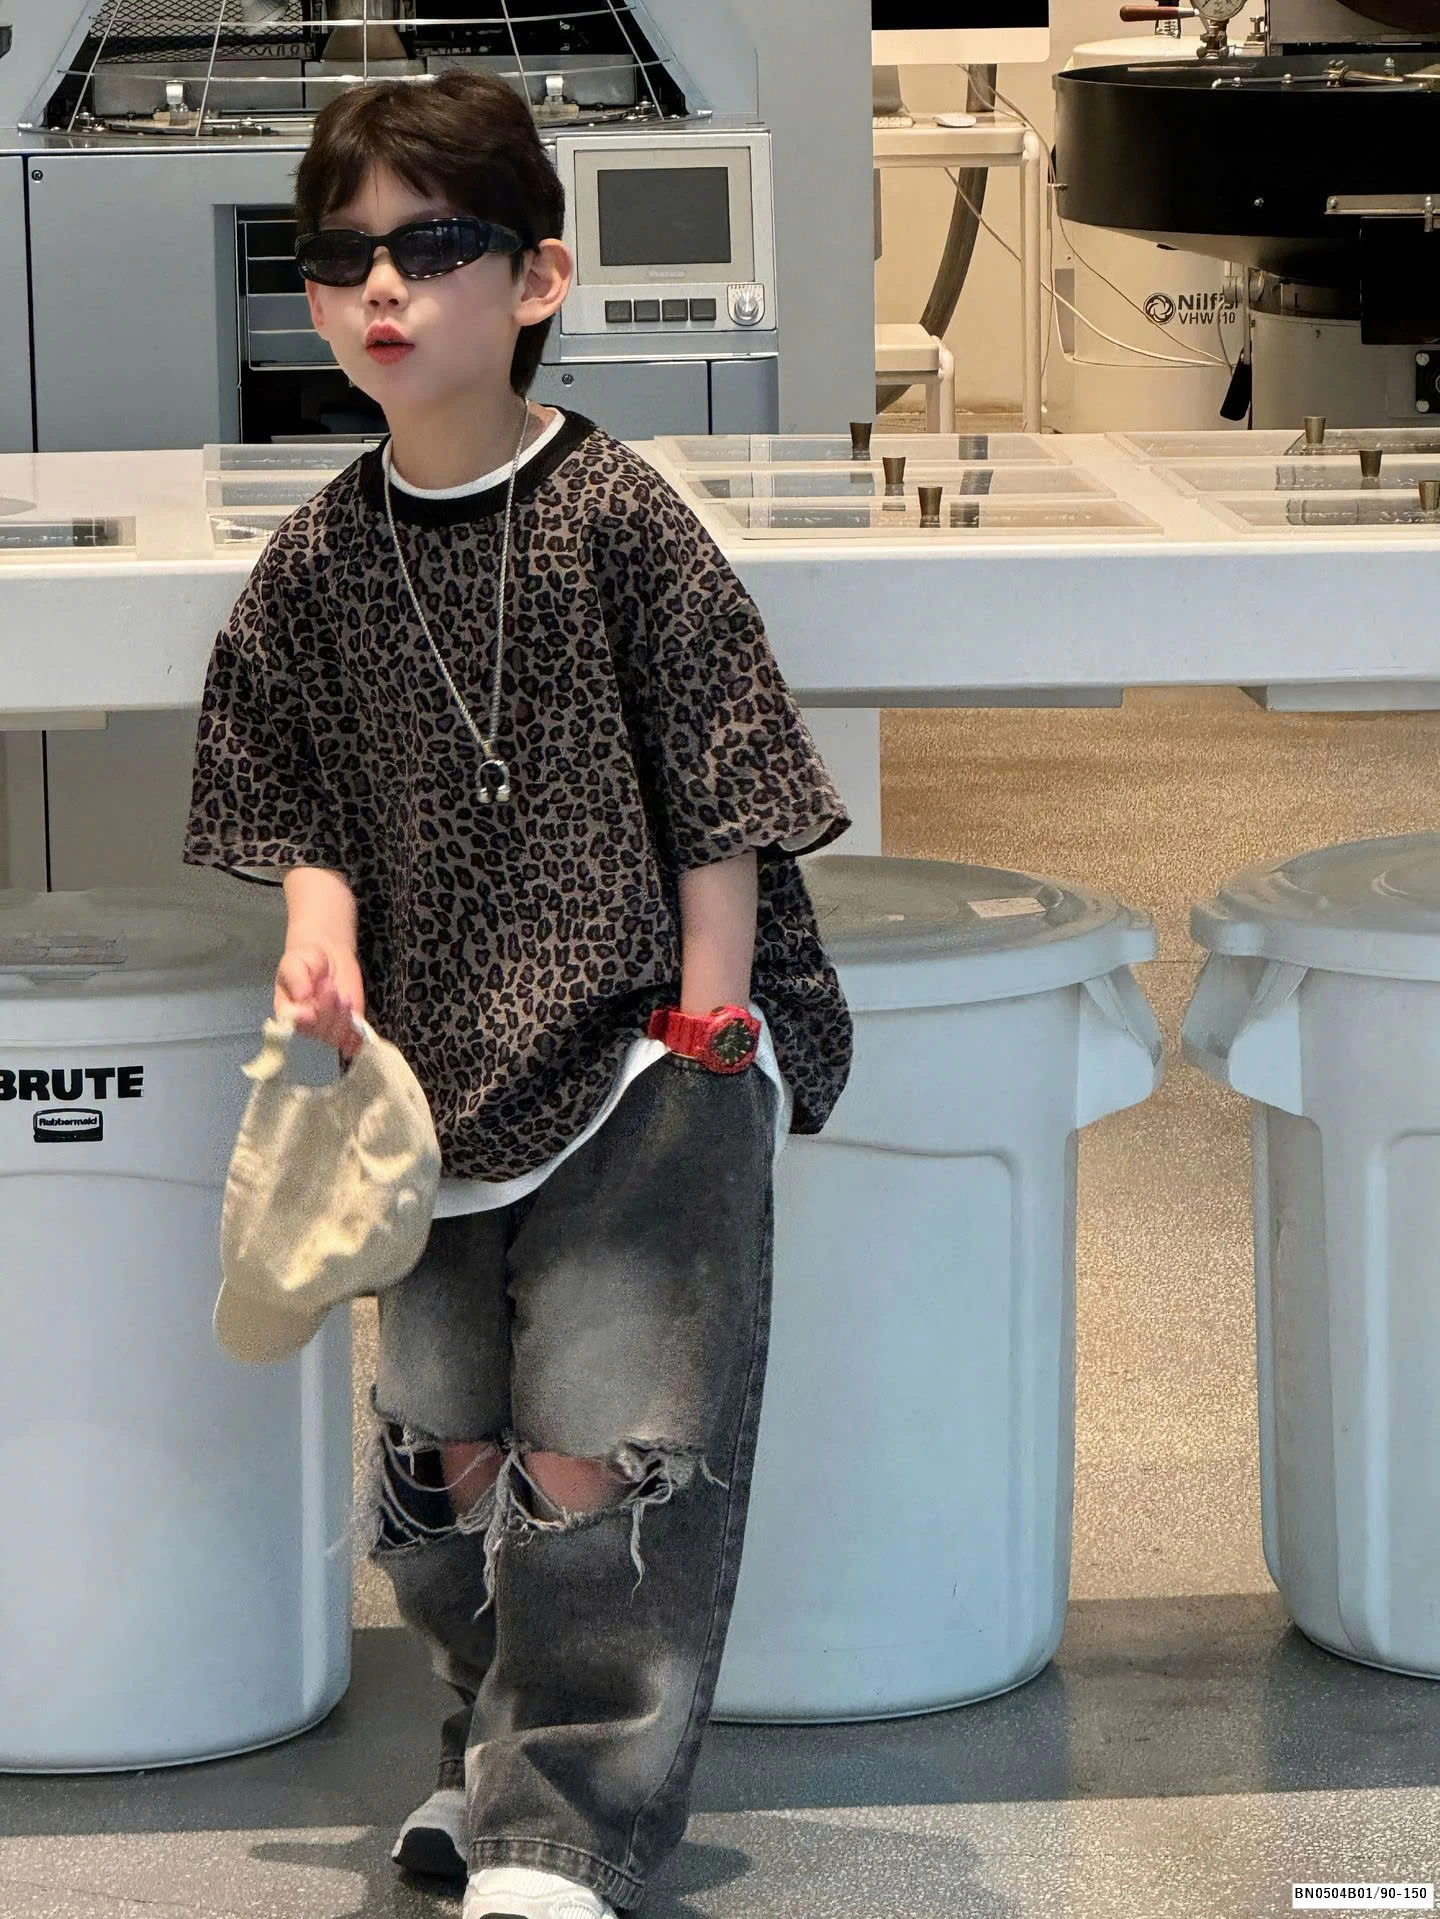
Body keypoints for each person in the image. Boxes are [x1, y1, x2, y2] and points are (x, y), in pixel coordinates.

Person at [183, 68, 853, 1919]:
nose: (381, 290)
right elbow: (298, 788)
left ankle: (568, 1819)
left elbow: (720, 783)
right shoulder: (319, 558)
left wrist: (709, 1030)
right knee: (443, 1444)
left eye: (434, 247)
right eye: (341, 260)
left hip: (641, 1057)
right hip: (428, 1075)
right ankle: (488, 1759)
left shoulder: (619, 515)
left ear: (540, 275)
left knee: (600, 1448)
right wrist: (318, 928)